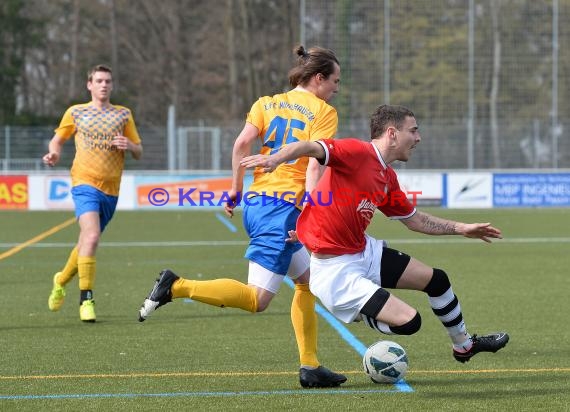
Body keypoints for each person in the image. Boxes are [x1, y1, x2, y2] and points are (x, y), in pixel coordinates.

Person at [138, 45, 347, 388]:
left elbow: (240, 146)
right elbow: (314, 162)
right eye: (335, 81)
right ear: (319, 78)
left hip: (257, 202)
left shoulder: (265, 103)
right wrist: (314, 206)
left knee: (307, 281)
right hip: (283, 210)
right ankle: (176, 287)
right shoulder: (324, 111)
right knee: (257, 299)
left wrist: (235, 188)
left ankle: (310, 367)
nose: (337, 88)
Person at [240, 104, 509, 363]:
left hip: (363, 251)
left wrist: (462, 229)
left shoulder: (387, 177)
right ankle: (358, 311)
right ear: (392, 133)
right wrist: (275, 158)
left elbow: (415, 220)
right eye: (413, 130)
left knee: (438, 280)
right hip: (335, 272)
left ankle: (464, 346)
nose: (418, 137)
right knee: (410, 323)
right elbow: (311, 147)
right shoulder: (357, 152)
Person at [44, 64, 143, 322]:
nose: (103, 85)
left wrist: (130, 145)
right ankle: (86, 299)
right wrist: (54, 152)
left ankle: (61, 279)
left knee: (85, 243)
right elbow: (58, 139)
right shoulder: (76, 112)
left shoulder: (123, 115)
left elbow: (139, 151)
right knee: (92, 236)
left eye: (107, 81)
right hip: (84, 183)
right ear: (89, 84)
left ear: (112, 85)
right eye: (98, 80)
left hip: (111, 190)